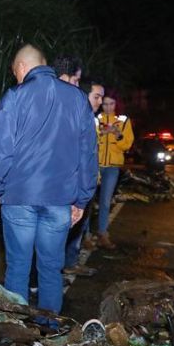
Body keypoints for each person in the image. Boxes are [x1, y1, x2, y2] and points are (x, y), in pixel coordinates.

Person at [0, 45, 97, 313]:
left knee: (19, 267)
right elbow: (87, 153)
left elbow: (1, 149)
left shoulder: (14, 96)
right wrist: (82, 198)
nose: (16, 78)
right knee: (50, 267)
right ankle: (48, 325)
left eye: (15, 72)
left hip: (19, 197)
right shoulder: (78, 99)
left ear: (22, 67)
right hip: (60, 199)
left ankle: (18, 328)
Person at [63, 78, 105, 275]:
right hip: (75, 186)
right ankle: (62, 266)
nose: (100, 102)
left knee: (79, 227)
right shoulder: (76, 117)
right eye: (96, 97)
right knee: (70, 228)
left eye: (102, 98)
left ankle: (69, 263)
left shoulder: (93, 119)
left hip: (86, 184)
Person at [95, 90, 134, 249]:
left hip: (112, 167)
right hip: (95, 165)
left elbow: (127, 144)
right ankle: (85, 236)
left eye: (111, 103)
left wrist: (117, 134)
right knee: (87, 201)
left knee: (105, 201)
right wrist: (102, 133)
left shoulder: (123, 121)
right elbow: (89, 139)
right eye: (105, 104)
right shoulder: (96, 119)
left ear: (117, 104)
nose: (108, 107)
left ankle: (102, 234)